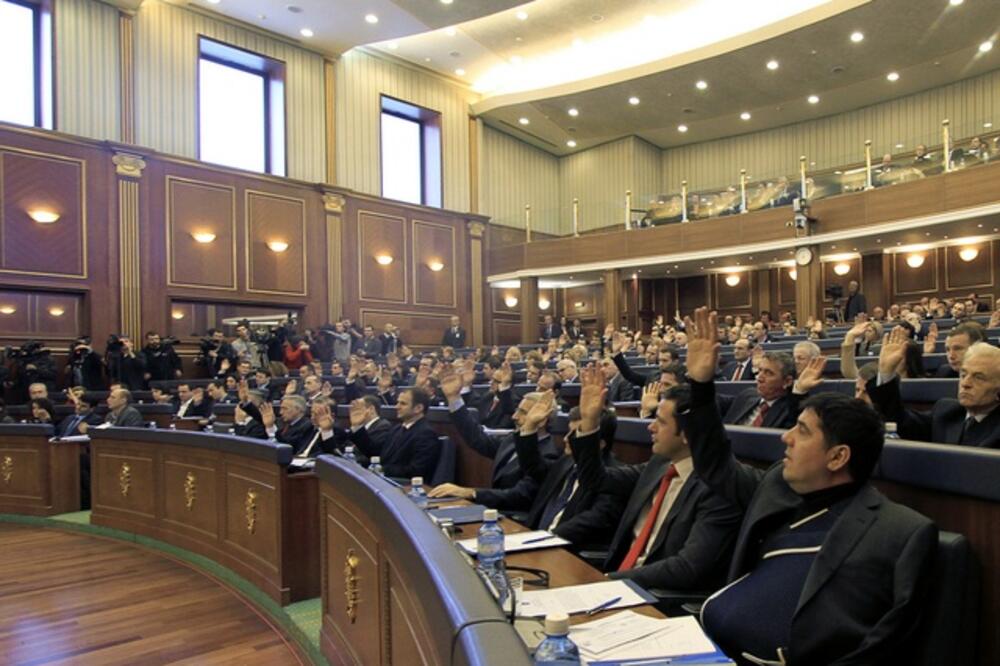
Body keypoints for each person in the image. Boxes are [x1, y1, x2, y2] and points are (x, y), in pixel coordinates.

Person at [683, 307, 937, 664]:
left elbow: (881, 647)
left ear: (837, 457)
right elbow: (715, 465)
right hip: (704, 646)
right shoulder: (776, 485)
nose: (785, 437)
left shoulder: (898, 531)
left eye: (801, 431)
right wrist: (700, 386)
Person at [574, 380, 741, 592]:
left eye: (660, 422)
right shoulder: (659, 465)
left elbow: (687, 568)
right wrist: (589, 422)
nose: (650, 427)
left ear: (688, 434)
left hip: (656, 598)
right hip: (618, 582)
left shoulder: (719, 488)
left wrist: (610, 580)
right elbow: (595, 480)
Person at [428, 370, 560, 503]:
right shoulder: (512, 440)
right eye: (517, 411)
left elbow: (519, 495)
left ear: (541, 420)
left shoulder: (549, 454)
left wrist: (470, 492)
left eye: (523, 412)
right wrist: (454, 398)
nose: (514, 417)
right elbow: (477, 438)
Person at [868, 333, 1000, 447]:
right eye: (963, 375)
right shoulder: (947, 412)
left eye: (978, 377)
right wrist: (886, 373)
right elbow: (900, 422)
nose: (965, 383)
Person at [344, 387, 440, 480]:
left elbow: (416, 470)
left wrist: (381, 470)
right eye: (397, 402)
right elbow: (376, 453)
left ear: (418, 408)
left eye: (403, 403)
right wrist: (357, 427)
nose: (397, 407)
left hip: (402, 485)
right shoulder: (397, 429)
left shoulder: (426, 434)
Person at [715, 351, 803, 429]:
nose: (759, 378)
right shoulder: (748, 395)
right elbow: (717, 400)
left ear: (787, 381)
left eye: (768, 373)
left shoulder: (791, 411)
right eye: (760, 370)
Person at [246, 395, 316, 455]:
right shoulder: (281, 421)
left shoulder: (307, 426)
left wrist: (270, 427)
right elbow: (262, 418)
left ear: (298, 410)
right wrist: (246, 402)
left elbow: (287, 446)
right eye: (281, 408)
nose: (281, 412)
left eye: (285, 409)